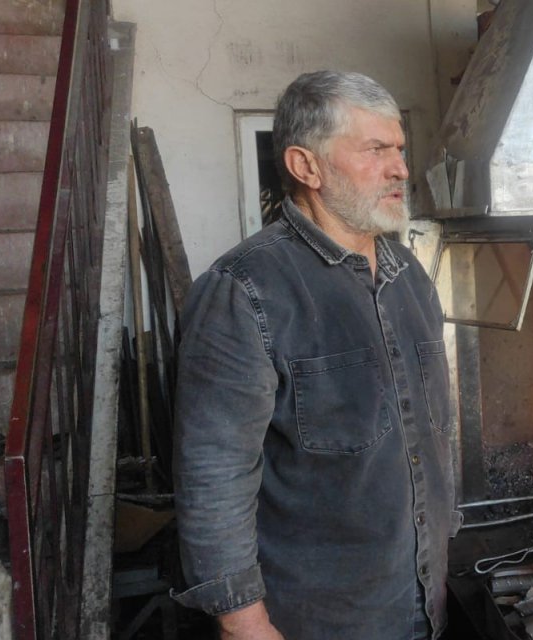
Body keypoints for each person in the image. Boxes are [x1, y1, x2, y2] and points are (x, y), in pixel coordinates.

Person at [171, 70, 458, 640]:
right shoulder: (244, 290)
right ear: (306, 166)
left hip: (421, 602)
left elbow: (433, 434)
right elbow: (213, 474)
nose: (400, 169)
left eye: (399, 149)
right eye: (376, 150)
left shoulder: (409, 276)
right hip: (318, 619)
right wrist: (243, 623)